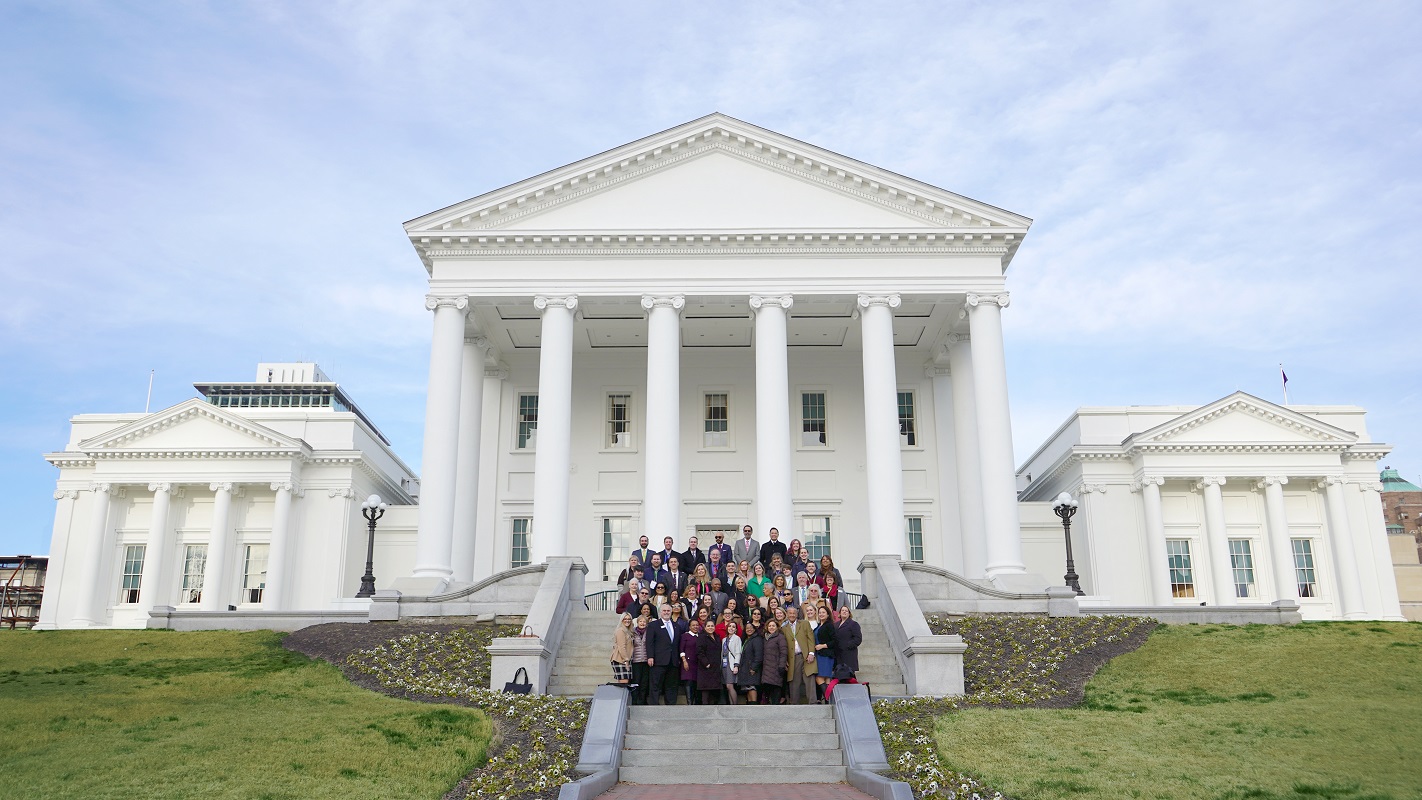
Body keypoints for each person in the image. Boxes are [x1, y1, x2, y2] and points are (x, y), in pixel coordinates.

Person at [782, 605, 817, 704]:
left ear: (797, 614)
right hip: (793, 658)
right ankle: (794, 704)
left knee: (809, 679)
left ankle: (813, 703)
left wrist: (811, 653)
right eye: (790, 613)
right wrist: (785, 660)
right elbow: (783, 646)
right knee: (794, 682)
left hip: (806, 656)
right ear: (787, 614)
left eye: (794, 613)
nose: (792, 615)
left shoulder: (805, 624)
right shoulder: (784, 628)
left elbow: (811, 639)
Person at [828, 605, 863, 699]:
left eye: (846, 611)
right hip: (838, 654)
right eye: (842, 610)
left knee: (850, 674)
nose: (844, 612)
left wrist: (848, 645)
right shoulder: (835, 625)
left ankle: (855, 695)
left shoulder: (853, 624)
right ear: (839, 613)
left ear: (849, 613)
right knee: (839, 674)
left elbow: (858, 639)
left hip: (849, 654)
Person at [650, 604, 680, 705]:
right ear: (660, 612)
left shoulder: (676, 626)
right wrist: (650, 656)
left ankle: (670, 705)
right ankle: (654, 705)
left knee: (671, 685)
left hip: (673, 661)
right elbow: (649, 643)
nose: (666, 612)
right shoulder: (653, 625)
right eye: (664, 611)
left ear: (671, 612)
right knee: (656, 684)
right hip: (659, 660)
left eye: (668, 611)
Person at [812, 604, 837, 703]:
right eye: (820, 613)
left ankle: (828, 699)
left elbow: (835, 641)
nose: (821, 614)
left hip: (826, 655)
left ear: (828, 614)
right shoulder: (819, 625)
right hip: (820, 655)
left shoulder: (829, 625)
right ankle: (828, 701)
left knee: (819, 678)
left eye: (823, 612)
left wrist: (822, 646)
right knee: (826, 680)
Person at [696, 616, 722, 705]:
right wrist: (706, 663)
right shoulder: (702, 637)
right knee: (706, 689)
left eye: (712, 626)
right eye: (708, 626)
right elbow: (699, 652)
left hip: (716, 667)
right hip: (706, 668)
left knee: (714, 690)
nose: (710, 628)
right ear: (705, 627)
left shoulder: (717, 637)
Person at [760, 618, 787, 705]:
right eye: (770, 626)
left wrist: (781, 666)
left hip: (776, 667)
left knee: (776, 688)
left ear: (777, 627)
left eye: (773, 626)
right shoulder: (765, 638)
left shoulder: (780, 637)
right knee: (767, 689)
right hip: (766, 668)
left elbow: (783, 652)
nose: (771, 627)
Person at [736, 618, 762, 704]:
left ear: (755, 629)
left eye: (751, 628)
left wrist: (754, 668)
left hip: (752, 669)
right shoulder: (746, 640)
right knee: (748, 689)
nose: (749, 629)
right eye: (747, 628)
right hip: (746, 669)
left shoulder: (757, 639)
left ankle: (754, 707)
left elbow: (759, 655)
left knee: (752, 688)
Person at [679, 619, 702, 705]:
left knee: (696, 683)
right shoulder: (685, 636)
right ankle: (689, 702)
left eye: (697, 625)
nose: (695, 627)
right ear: (689, 627)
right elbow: (681, 649)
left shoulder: (700, 636)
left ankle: (696, 702)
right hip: (687, 662)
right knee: (688, 681)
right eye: (693, 625)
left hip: (698, 663)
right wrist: (684, 660)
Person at [721, 618, 743, 704]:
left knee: (730, 685)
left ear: (736, 629)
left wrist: (736, 665)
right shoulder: (724, 639)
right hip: (724, 665)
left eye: (733, 627)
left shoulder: (737, 638)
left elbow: (738, 653)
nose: (731, 628)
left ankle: (735, 705)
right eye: (729, 626)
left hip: (732, 664)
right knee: (727, 686)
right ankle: (731, 705)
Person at [630, 616, 651, 705]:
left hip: (646, 660)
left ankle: (642, 700)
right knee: (636, 681)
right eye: (640, 621)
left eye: (644, 622)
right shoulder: (632, 632)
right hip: (636, 661)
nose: (642, 623)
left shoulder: (649, 632)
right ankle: (635, 700)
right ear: (637, 622)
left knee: (644, 682)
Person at [611, 612, 634, 688]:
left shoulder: (628, 631)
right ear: (621, 620)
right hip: (620, 660)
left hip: (625, 660)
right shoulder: (621, 631)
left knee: (624, 683)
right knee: (623, 684)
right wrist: (626, 660)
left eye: (629, 619)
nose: (627, 621)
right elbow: (622, 647)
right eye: (625, 619)